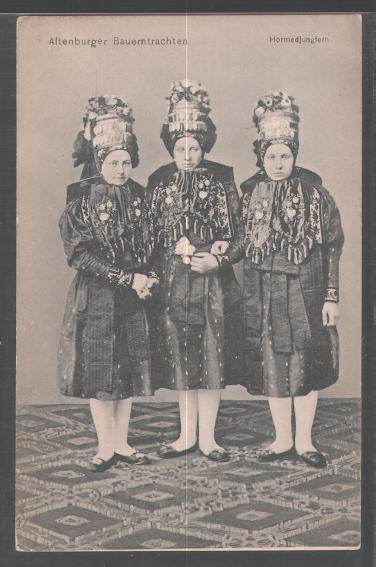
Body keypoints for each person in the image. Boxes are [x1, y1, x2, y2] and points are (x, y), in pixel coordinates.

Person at [222, 91, 344, 468]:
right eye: (271, 156)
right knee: (272, 362)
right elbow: (242, 240)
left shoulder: (316, 195)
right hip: (263, 291)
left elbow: (332, 247)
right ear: (260, 156)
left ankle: (305, 442)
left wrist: (331, 297)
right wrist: (220, 256)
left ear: (295, 155)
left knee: (304, 363)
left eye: (285, 156)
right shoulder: (248, 193)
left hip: (304, 291)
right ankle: (281, 439)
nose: (278, 163)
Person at [58, 95, 158, 472]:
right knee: (101, 369)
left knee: (128, 368)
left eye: (126, 162)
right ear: (100, 162)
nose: (120, 169)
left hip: (133, 297)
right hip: (97, 294)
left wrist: (148, 277)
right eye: (113, 163)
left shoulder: (139, 196)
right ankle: (104, 446)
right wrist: (125, 277)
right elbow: (79, 255)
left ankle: (123, 442)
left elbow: (153, 244)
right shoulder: (81, 199)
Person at [147, 79, 242, 462]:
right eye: (181, 148)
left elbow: (243, 234)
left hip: (212, 284)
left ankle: (210, 438)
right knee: (182, 356)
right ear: (172, 148)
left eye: (195, 148)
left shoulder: (222, 179)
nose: (187, 155)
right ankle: (186, 435)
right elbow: (148, 234)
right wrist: (170, 247)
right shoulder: (159, 180)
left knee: (211, 355)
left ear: (205, 147)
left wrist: (218, 259)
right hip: (173, 281)